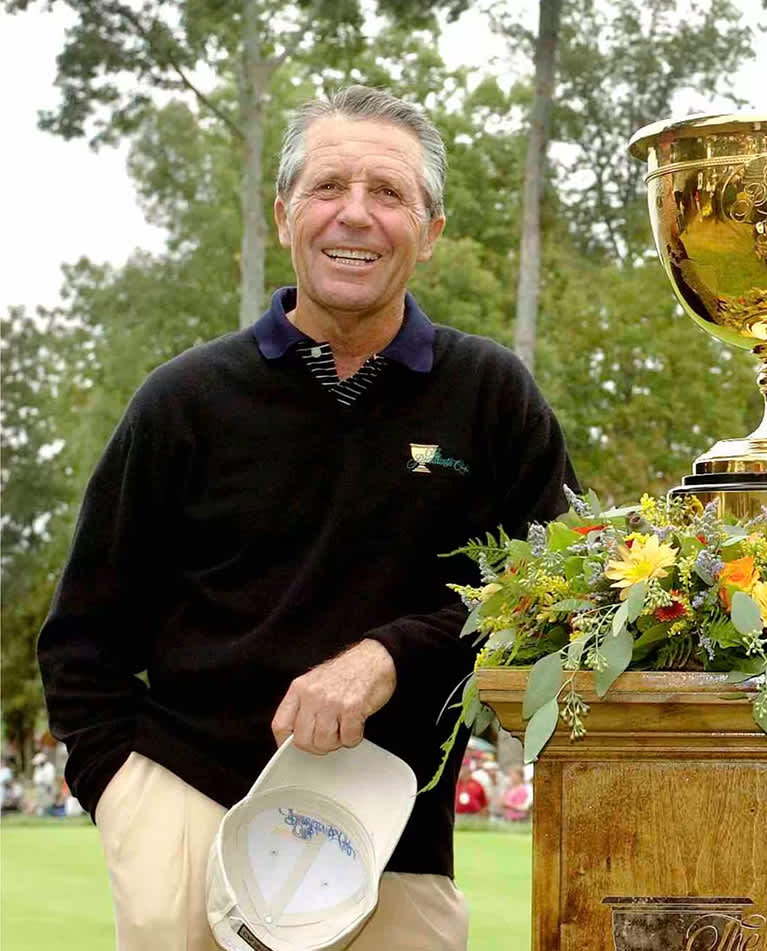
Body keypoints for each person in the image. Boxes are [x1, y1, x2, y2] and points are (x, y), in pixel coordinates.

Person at [37, 85, 576, 951]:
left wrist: (390, 656)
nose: (355, 214)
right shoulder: (184, 400)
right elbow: (81, 638)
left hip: (393, 830)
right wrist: (129, 801)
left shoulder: (492, 398)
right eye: (328, 186)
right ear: (284, 214)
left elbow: (556, 598)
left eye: (388, 192)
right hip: (191, 804)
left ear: (431, 232)